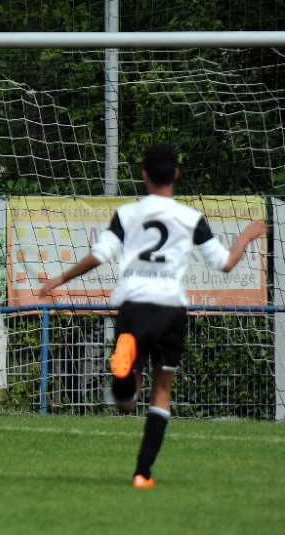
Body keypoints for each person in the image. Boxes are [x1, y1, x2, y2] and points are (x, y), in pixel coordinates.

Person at [38, 142, 266, 488]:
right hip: (171, 310)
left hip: (134, 306)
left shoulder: (128, 214)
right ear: (176, 173)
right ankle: (142, 473)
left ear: (143, 174)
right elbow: (226, 263)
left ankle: (124, 372)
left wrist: (59, 278)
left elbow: (98, 257)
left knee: (127, 402)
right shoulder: (191, 218)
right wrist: (247, 235)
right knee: (161, 393)